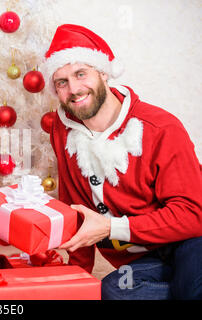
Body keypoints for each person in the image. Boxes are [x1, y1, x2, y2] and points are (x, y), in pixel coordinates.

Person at [42, 24, 202, 299]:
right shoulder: (62, 128)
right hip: (147, 257)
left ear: (103, 73)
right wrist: (76, 277)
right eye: (62, 82)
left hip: (191, 239)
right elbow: (76, 204)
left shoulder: (160, 127)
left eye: (81, 74)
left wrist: (111, 228)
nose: (74, 89)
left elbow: (194, 215)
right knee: (114, 290)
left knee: (189, 290)